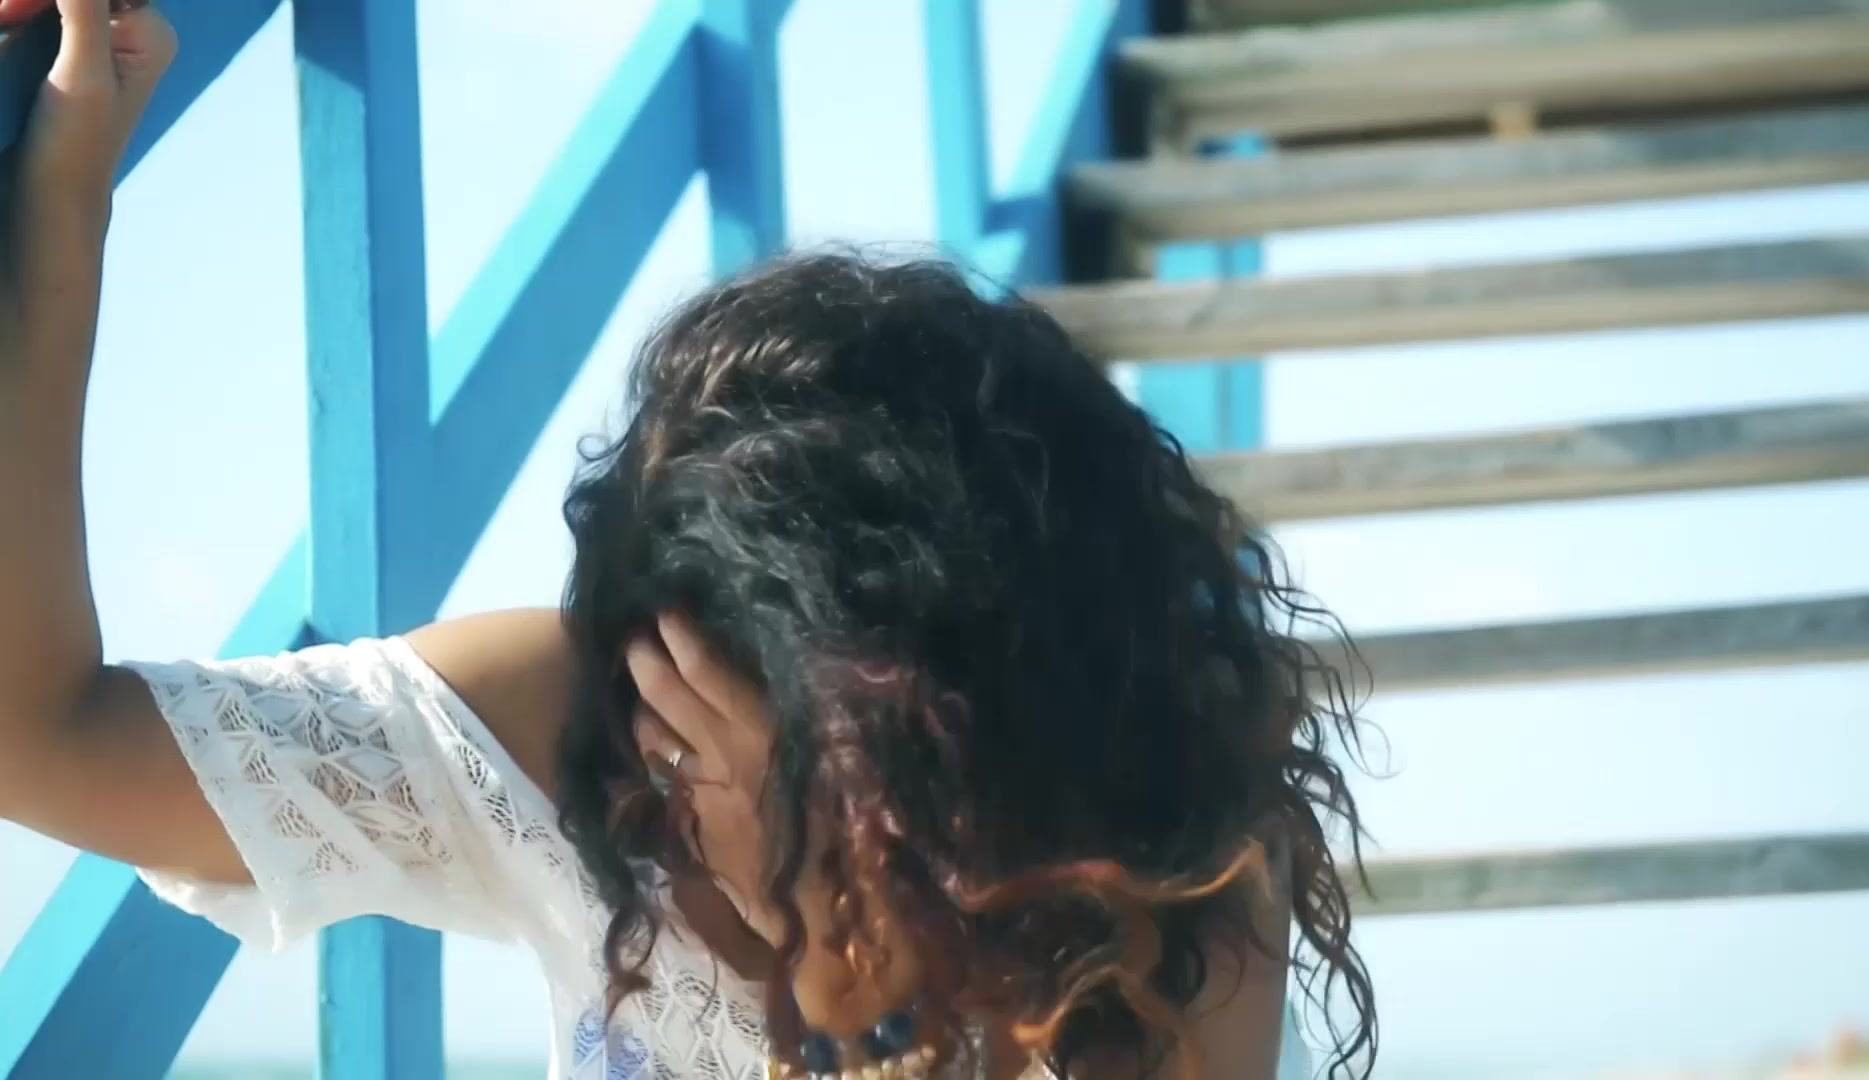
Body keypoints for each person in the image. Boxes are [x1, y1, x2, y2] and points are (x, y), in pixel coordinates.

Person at [0, 2, 1377, 1077]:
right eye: (657, 728)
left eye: (718, 752)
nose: (662, 796)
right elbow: (37, 736)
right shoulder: (582, 731)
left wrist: (855, 997)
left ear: (938, 757)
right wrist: (69, 201)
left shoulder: (1181, 892)